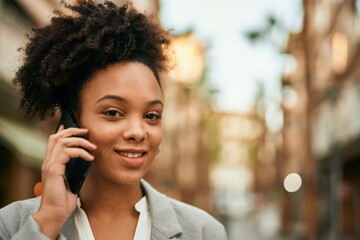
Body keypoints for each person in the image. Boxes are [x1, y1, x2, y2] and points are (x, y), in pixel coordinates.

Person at [0, 0, 227, 239]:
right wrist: (48, 222)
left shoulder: (203, 231)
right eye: (113, 112)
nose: (138, 132)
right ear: (72, 121)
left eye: (151, 116)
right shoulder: (10, 224)